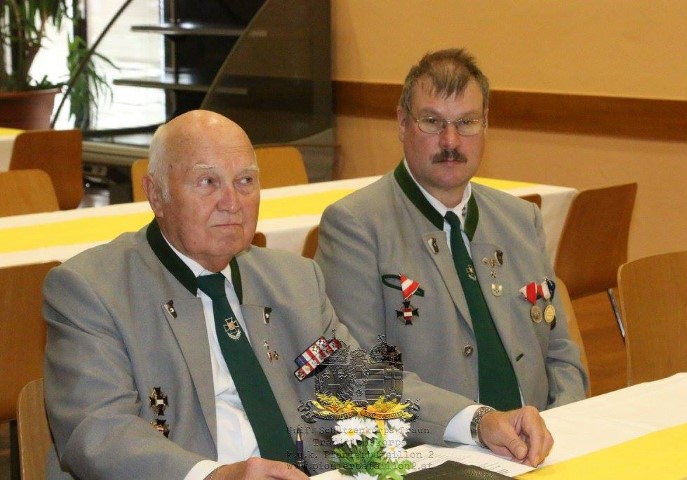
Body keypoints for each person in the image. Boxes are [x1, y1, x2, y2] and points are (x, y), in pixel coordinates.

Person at [43, 110, 553, 480]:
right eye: (207, 182)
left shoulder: (292, 281)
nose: (231, 202)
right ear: (156, 194)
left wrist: (477, 420)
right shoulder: (93, 289)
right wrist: (213, 476)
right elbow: (97, 431)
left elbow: (359, 382)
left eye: (246, 181)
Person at [315, 49, 588, 413]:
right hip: (437, 441)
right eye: (432, 121)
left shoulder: (521, 220)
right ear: (402, 123)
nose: (451, 141)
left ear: (485, 124)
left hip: (542, 434)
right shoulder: (356, 227)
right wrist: (472, 425)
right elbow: (361, 374)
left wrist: (565, 420)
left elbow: (561, 351)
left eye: (467, 122)